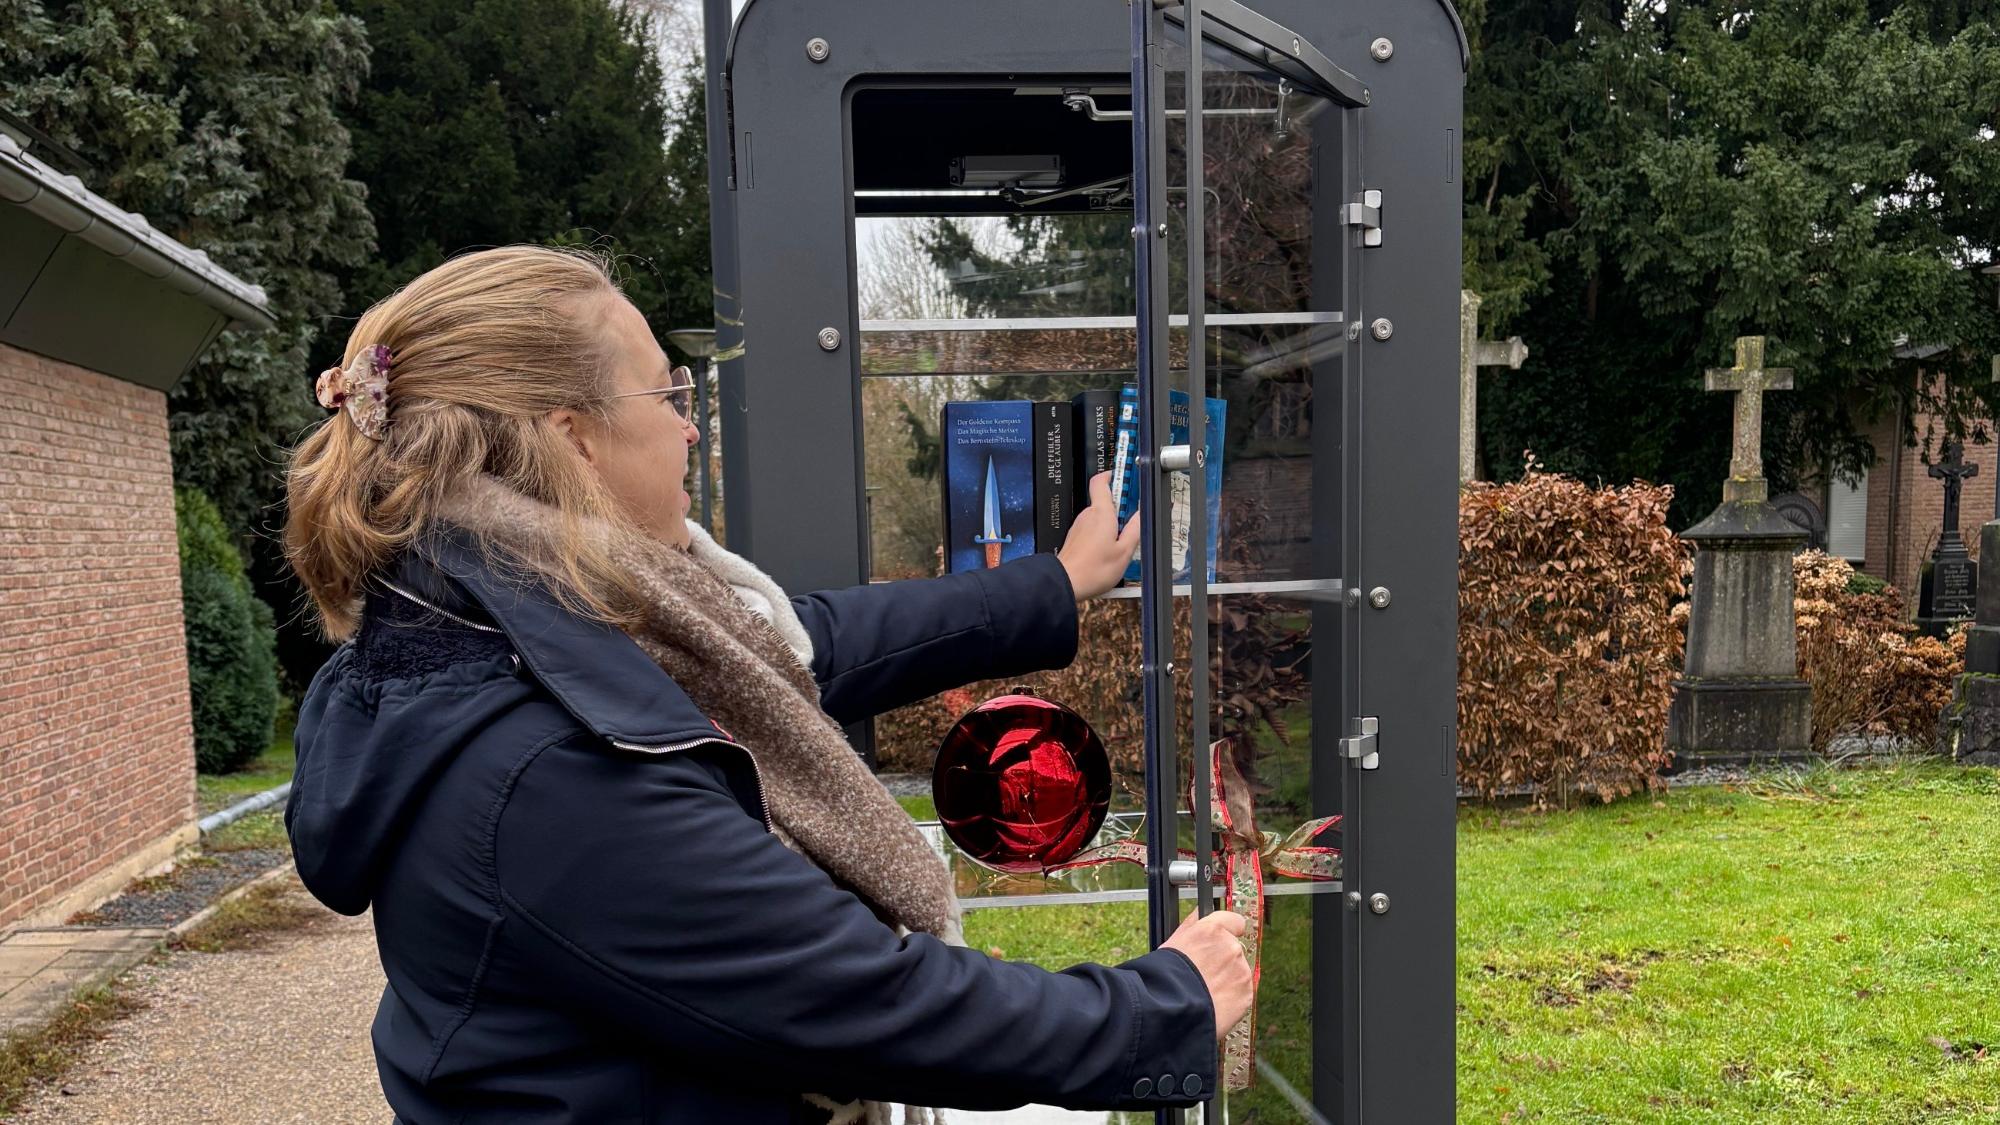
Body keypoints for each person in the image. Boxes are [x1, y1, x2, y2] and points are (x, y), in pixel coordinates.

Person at [282, 246, 1253, 1125]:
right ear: (572, 438)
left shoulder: (493, 624)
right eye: (669, 400)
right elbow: (860, 1000)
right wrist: (1158, 1005)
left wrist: (1048, 586)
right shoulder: (546, 760)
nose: (691, 434)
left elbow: (797, 652)